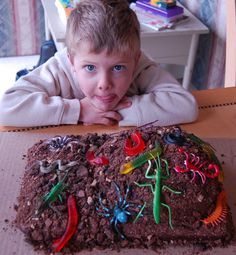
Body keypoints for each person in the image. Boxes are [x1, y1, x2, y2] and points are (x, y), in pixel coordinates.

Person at [0, 0, 198, 127]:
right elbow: (6, 108)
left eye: (118, 68)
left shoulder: (140, 64)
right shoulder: (60, 66)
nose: (104, 84)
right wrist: (79, 110)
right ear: (72, 61)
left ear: (135, 59)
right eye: (90, 68)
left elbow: (186, 106)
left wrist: (109, 114)